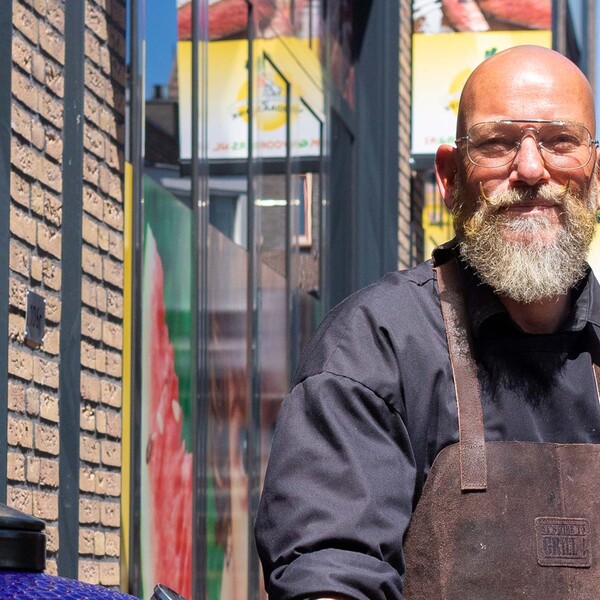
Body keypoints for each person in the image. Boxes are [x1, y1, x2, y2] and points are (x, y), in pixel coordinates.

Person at [254, 45, 600, 599]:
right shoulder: (376, 345)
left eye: (561, 142)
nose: (532, 169)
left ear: (596, 175)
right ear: (449, 176)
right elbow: (329, 570)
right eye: (497, 143)